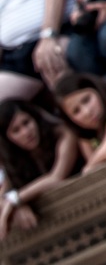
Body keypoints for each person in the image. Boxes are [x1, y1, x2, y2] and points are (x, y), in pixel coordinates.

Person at [0, 99, 80, 240]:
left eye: (26, 122)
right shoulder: (14, 160)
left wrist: (16, 199)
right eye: (16, 130)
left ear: (35, 118)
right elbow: (3, 196)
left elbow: (56, 177)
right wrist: (18, 206)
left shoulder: (63, 134)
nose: (26, 132)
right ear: (8, 138)